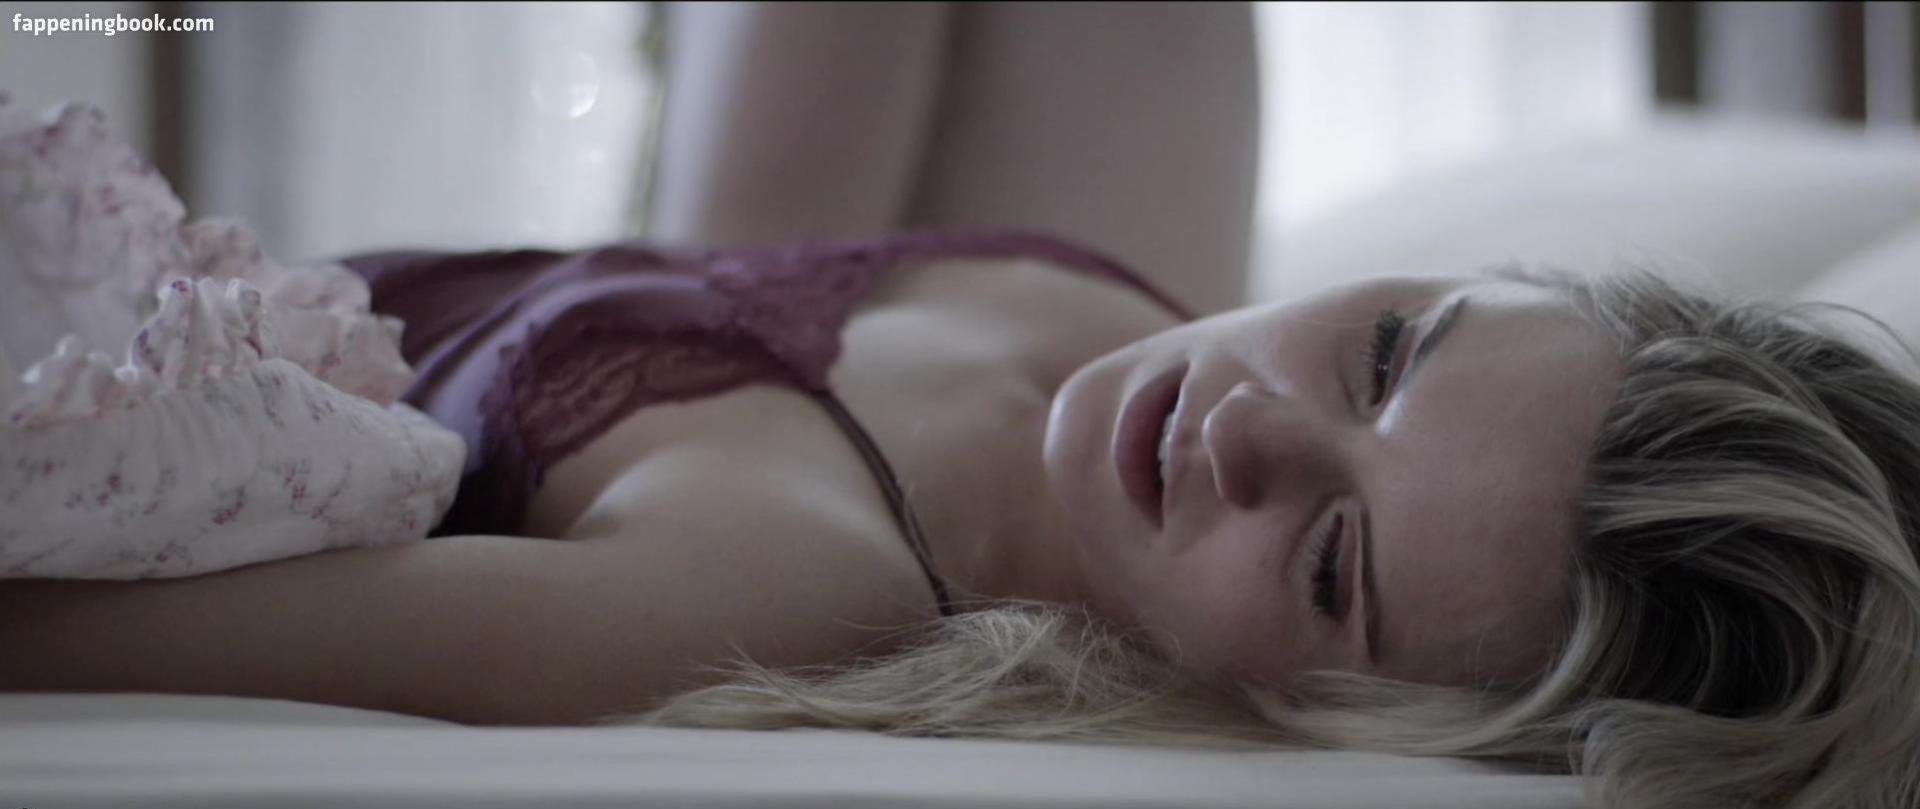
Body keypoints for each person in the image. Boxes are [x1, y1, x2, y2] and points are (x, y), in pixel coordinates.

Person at [4, 6, 1920, 809]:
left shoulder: (759, 582)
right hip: (760, 323)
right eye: (1394, 353)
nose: (1242, 424)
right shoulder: (1141, 338)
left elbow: (48, 630)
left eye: (1333, 563)